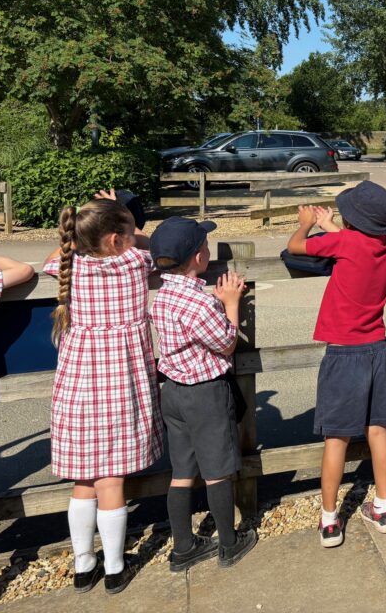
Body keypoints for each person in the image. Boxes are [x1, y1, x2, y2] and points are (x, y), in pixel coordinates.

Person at [43, 192, 162, 595]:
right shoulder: (133, 263)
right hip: (120, 386)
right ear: (117, 239)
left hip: (78, 386)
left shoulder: (67, 267)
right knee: (112, 480)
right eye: (126, 230)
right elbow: (151, 244)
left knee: (83, 482)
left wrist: (84, 226)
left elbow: (53, 257)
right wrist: (133, 225)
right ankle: (114, 567)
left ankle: (82, 564)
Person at [286, 180, 386, 547]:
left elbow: (296, 247)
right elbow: (356, 243)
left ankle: (330, 519)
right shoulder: (379, 244)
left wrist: (306, 222)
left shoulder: (345, 242)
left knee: (336, 439)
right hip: (376, 350)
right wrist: (331, 225)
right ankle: (384, 508)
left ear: (352, 221)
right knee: (378, 430)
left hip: (343, 353)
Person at [149, 217, 257, 572]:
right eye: (205, 246)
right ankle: (229, 542)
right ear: (199, 258)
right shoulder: (200, 305)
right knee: (217, 471)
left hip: (174, 393)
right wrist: (230, 303)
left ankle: (184, 547)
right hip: (206, 395)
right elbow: (226, 344)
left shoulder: (163, 296)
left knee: (182, 470)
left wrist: (214, 297)